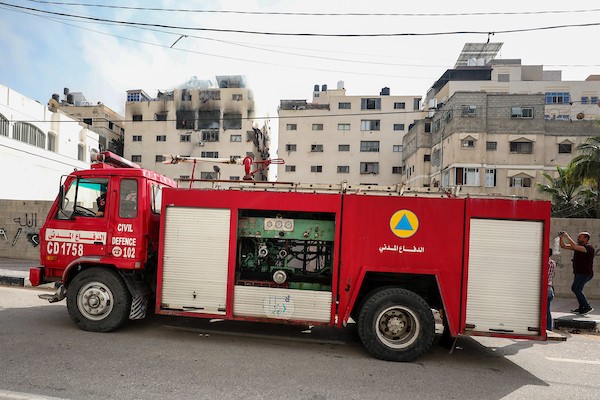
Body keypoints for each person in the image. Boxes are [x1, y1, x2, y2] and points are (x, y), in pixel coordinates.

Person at [559, 231, 594, 314]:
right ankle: (582, 307)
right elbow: (563, 246)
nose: (578, 238)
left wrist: (567, 236)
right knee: (578, 289)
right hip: (579, 273)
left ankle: (586, 306)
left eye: (580, 237)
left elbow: (575, 246)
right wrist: (561, 238)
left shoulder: (589, 247)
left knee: (575, 288)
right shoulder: (578, 247)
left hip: (585, 273)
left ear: (586, 239)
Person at [547, 248, 556, 331]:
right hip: (549, 289)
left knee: (546, 311)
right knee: (547, 310)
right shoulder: (552, 262)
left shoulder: (546, 263)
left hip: (545, 289)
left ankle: (548, 328)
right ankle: (549, 328)